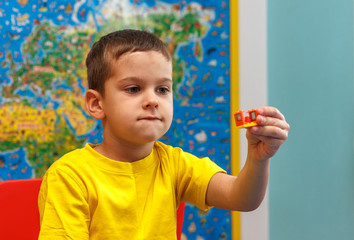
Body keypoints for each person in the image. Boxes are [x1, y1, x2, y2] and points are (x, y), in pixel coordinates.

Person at [38, 29, 289, 239]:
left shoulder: (175, 164)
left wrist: (258, 159)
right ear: (96, 104)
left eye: (162, 89)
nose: (152, 100)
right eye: (134, 88)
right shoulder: (69, 176)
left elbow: (242, 198)